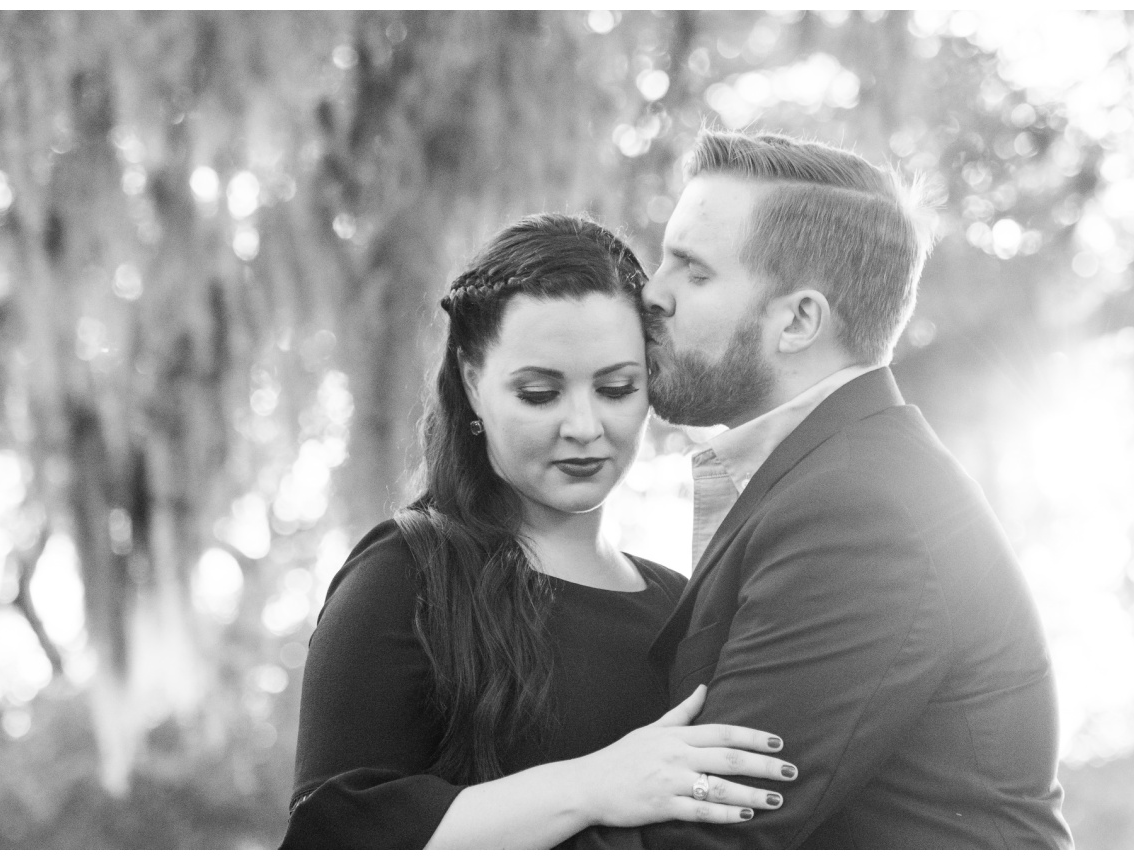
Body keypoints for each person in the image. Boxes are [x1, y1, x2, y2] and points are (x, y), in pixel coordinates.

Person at [574, 130, 1073, 849]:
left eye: (693, 269)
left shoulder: (862, 512)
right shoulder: (841, 477)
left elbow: (712, 836)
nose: (652, 292)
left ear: (800, 320)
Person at [280, 214, 798, 849]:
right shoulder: (407, 574)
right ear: (473, 385)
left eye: (616, 388)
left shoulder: (684, 603)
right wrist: (592, 786)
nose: (583, 425)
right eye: (538, 394)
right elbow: (335, 831)